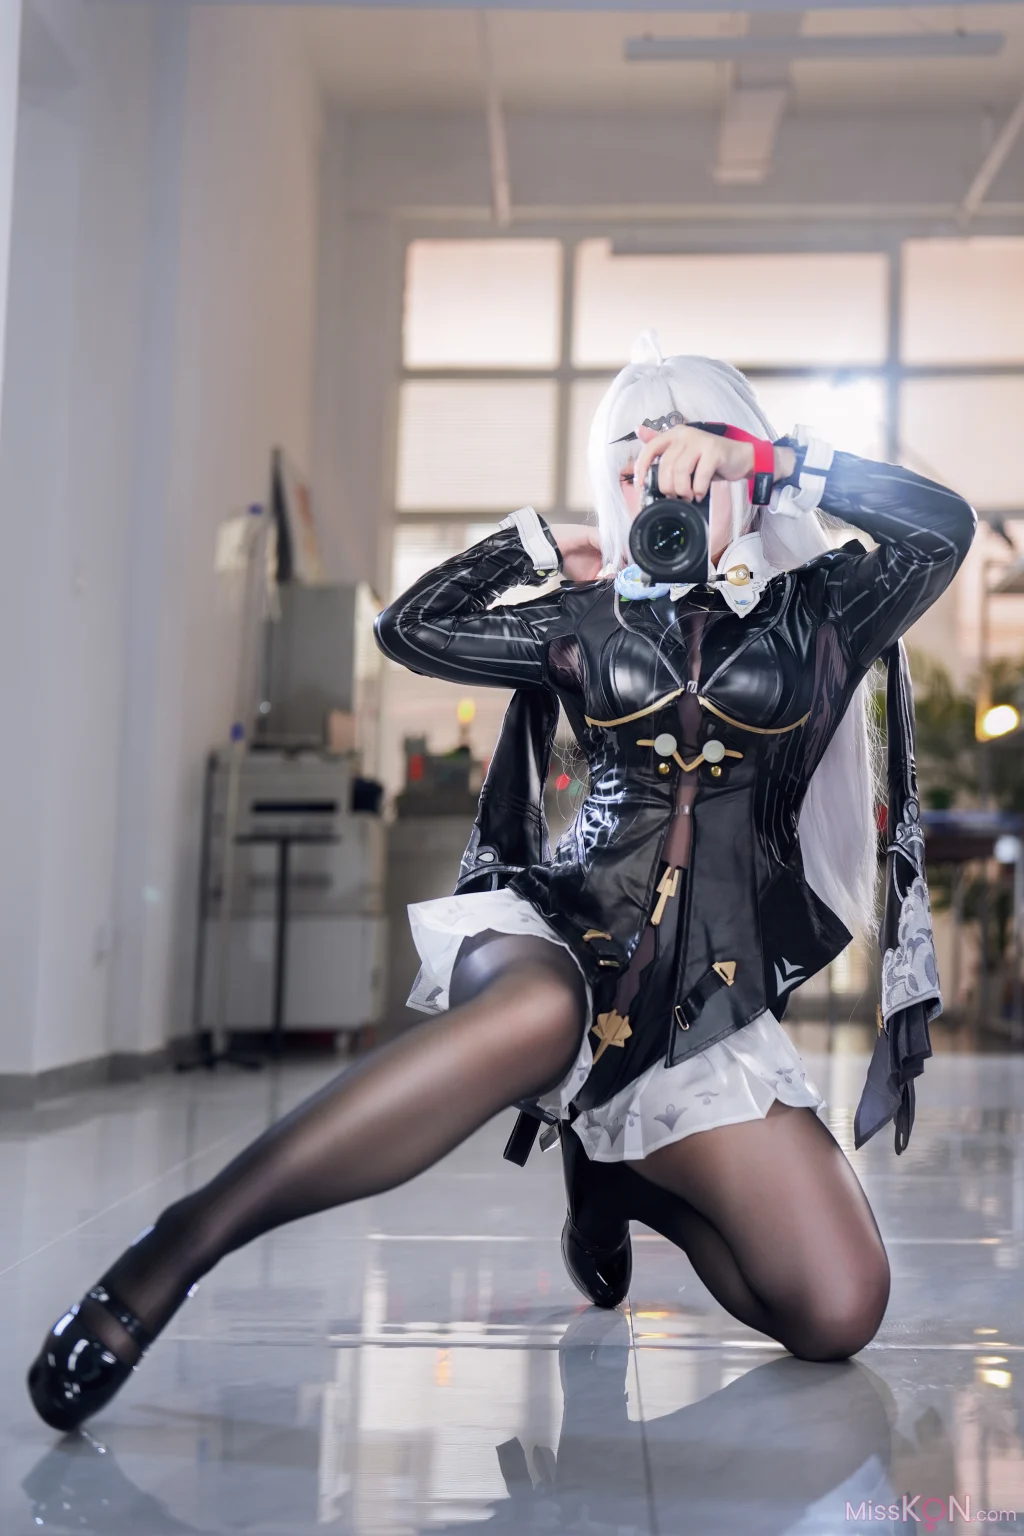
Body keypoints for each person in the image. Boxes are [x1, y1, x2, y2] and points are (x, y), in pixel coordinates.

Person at [27, 336, 974, 1434]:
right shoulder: (583, 618)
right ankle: (175, 1249)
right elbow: (408, 630)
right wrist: (531, 545)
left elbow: (941, 528)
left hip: (699, 1005)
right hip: (555, 931)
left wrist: (770, 457)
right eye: (634, 467)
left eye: (684, 459)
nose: (659, 487)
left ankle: (621, 1178)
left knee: (838, 1309)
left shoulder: (826, 609)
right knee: (538, 1013)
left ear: (741, 469)